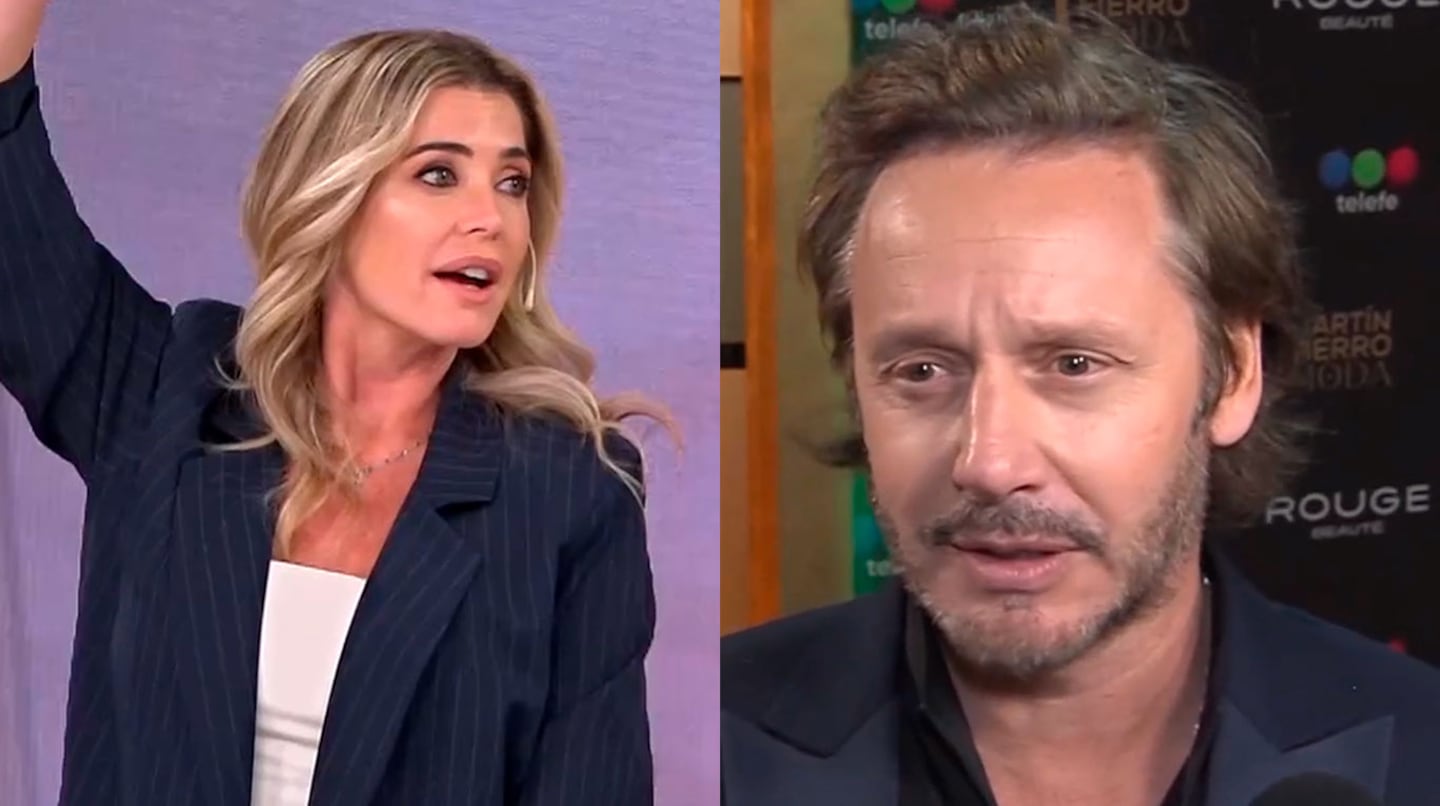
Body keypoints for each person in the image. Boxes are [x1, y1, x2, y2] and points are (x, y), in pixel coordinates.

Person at [721, 6, 1440, 805]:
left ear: (1234, 373)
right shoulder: (684, 746)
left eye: (1074, 365)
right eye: (922, 371)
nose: (990, 463)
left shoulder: (1421, 754)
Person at [0, 3, 673, 805]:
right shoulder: (165, 396)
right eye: (439, 174)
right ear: (332, 191)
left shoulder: (569, 496)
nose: (489, 218)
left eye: (513, 183)